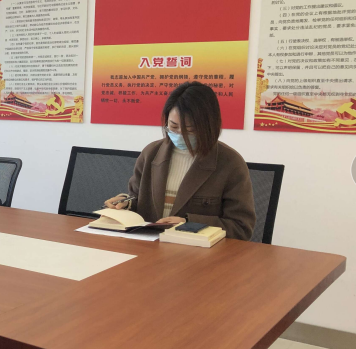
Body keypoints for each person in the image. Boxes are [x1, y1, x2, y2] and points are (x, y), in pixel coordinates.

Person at [104, 81, 255, 241]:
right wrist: (125, 203)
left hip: (198, 250)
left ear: (209, 126)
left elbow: (241, 227)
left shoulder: (230, 163)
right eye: (173, 126)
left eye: (190, 130)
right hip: (149, 245)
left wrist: (189, 224)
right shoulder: (151, 153)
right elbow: (137, 199)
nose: (180, 134)